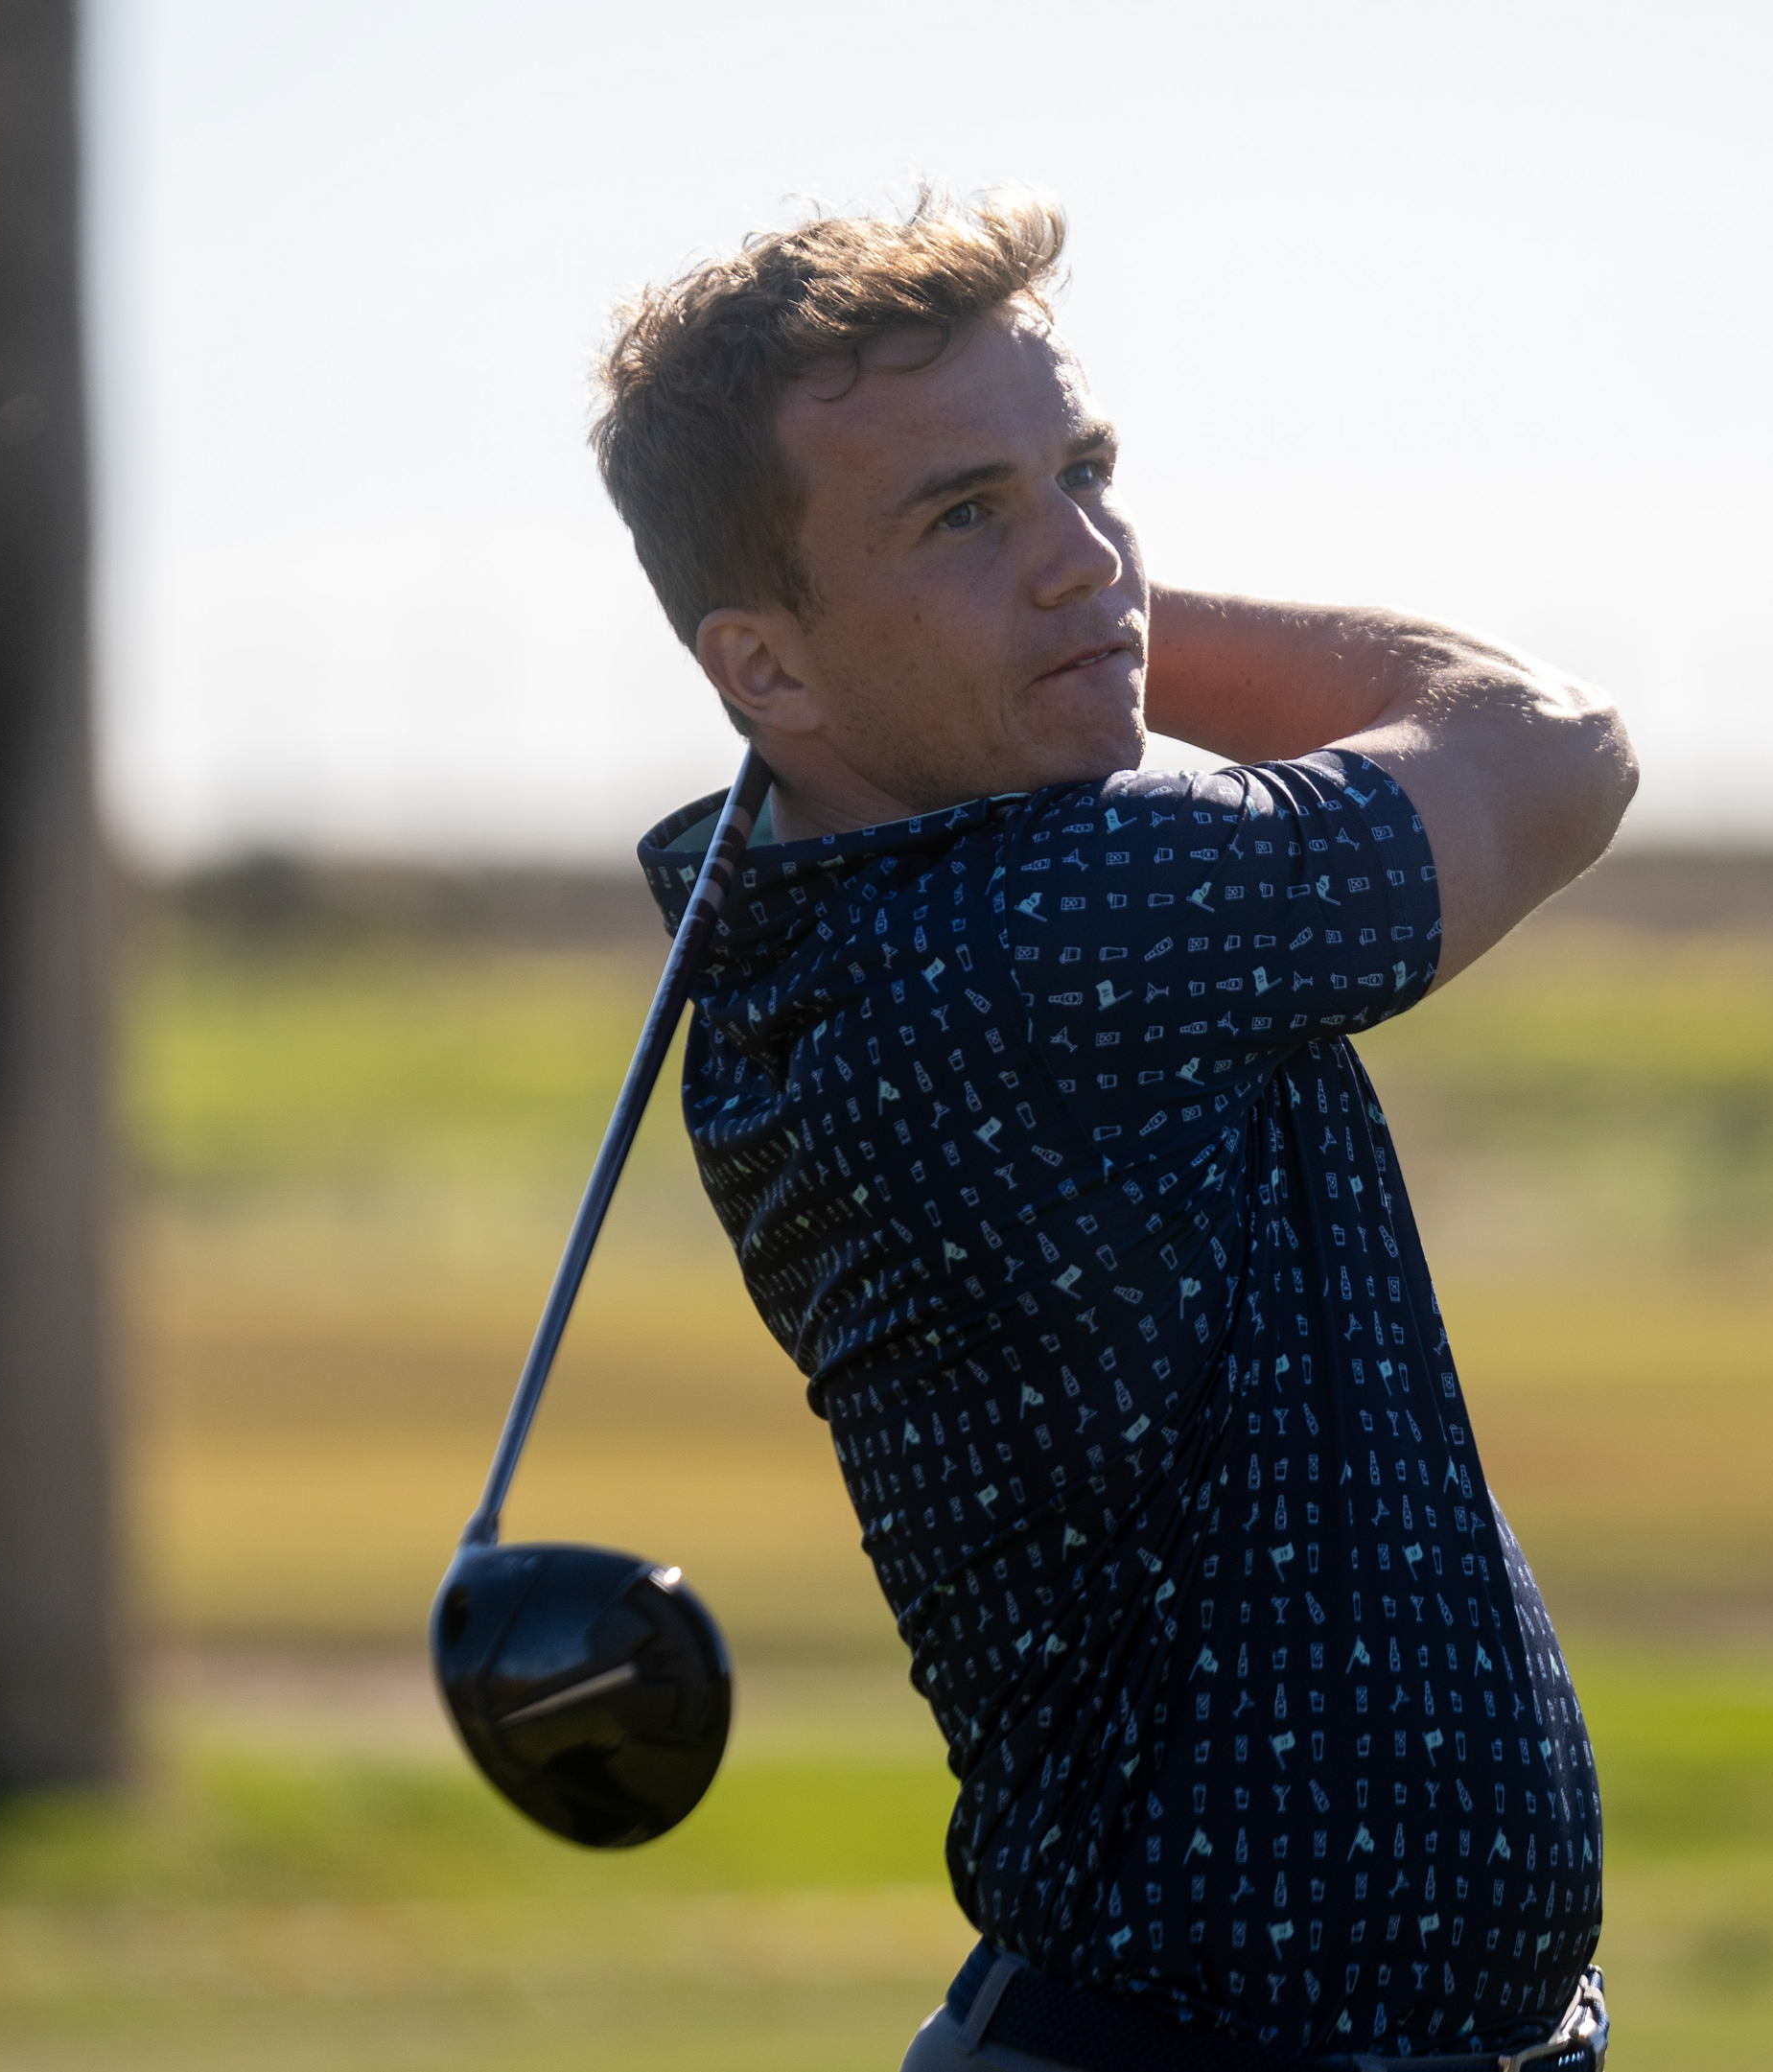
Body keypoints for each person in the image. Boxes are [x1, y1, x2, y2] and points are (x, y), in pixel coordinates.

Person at [595, 192, 1637, 2071]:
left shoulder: (826, 941)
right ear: (766, 671)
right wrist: (1106, 625)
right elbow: (1551, 744)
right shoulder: (1032, 932)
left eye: (1086, 475)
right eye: (962, 516)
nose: (1087, 559)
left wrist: (1047, 608)